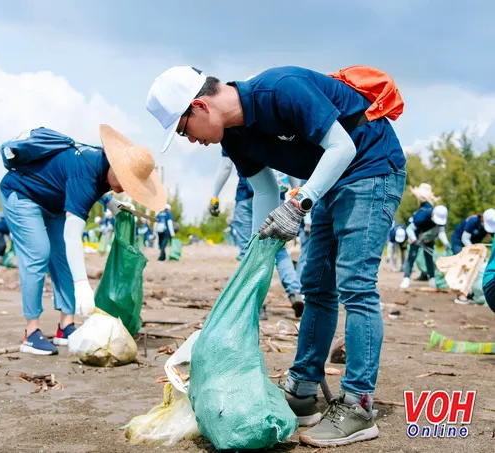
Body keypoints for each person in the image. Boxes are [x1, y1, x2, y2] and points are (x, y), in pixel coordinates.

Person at [146, 65, 406, 446]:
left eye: (184, 130)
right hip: (333, 181)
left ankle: (358, 406)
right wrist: (256, 259)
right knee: (316, 287)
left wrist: (300, 202)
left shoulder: (282, 90)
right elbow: (265, 192)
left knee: (356, 287)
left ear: (199, 106)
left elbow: (343, 147)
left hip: (371, 166)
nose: (189, 140)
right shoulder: (233, 139)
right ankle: (302, 390)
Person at [0, 124, 164, 355]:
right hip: (22, 194)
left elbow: (95, 183)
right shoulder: (86, 170)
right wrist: (82, 285)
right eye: (126, 181)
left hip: (53, 201)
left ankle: (65, 326)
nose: (125, 188)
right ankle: (31, 332)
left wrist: (109, 202)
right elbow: (72, 234)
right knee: (38, 254)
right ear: (115, 166)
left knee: (63, 259)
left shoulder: (100, 164)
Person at [209, 153, 304, 318]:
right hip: (277, 197)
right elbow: (290, 165)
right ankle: (295, 292)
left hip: (247, 197)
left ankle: (256, 304)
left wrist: (214, 196)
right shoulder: (275, 128)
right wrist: (298, 194)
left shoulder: (231, 130)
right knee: (279, 249)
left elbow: (226, 166)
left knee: (250, 250)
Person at [400, 184, 449, 289]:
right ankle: (406, 279)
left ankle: (432, 280)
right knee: (412, 257)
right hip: (416, 237)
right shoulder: (422, 215)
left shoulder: (440, 218)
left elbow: (441, 232)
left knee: (429, 258)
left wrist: (446, 243)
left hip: (429, 238)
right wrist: (414, 239)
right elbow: (409, 229)